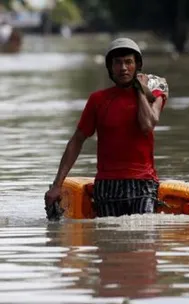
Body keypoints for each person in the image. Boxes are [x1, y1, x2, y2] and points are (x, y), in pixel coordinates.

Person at [45, 37, 169, 218]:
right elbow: (77, 141)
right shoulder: (98, 100)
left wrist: (141, 91)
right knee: (108, 243)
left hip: (143, 184)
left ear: (137, 66)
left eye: (128, 62)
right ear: (110, 68)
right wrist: (57, 185)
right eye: (117, 63)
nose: (123, 68)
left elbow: (147, 125)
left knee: (144, 239)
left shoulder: (155, 95)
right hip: (107, 185)